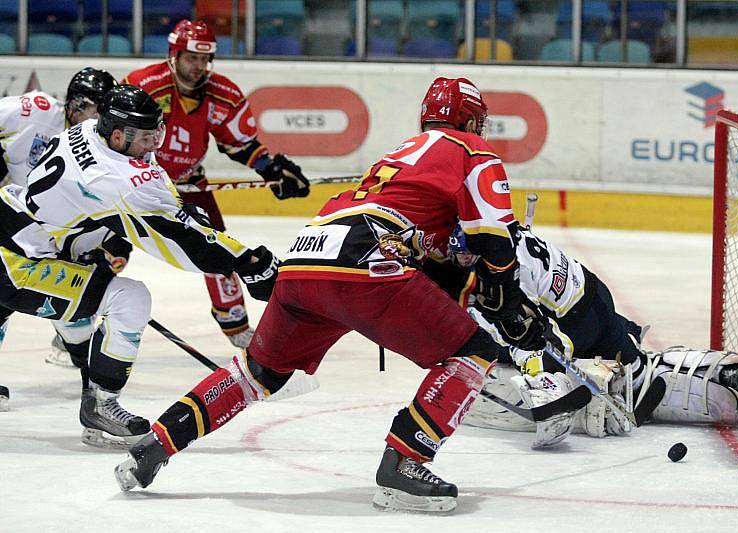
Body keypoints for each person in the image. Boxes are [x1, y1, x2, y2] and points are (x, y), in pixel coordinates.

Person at [114, 77, 552, 513]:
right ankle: (405, 463)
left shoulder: (402, 153)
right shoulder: (474, 152)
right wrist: (510, 302)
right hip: (367, 259)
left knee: (257, 373)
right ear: (474, 120)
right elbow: (495, 238)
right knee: (473, 352)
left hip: (307, 253)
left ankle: (154, 445)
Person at [0, 84, 281, 448]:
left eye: (156, 133)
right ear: (118, 134)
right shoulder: (116, 180)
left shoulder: (89, 132)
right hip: (17, 260)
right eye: (145, 137)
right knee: (128, 299)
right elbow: (181, 242)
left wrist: (170, 209)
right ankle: (101, 407)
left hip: (18, 227)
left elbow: (135, 195)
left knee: (78, 316)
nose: (153, 145)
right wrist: (249, 262)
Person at [446, 223, 738, 446]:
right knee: (637, 371)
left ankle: (597, 402)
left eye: (465, 258)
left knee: (486, 374)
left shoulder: (502, 282)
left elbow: (535, 338)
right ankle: (736, 380)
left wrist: (542, 377)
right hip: (594, 296)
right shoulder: (504, 237)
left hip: (574, 323)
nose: (460, 263)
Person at [123, 20, 310, 350]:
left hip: (189, 181)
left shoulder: (221, 93)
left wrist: (273, 168)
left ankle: (235, 325)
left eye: (205, 59)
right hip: (134, 185)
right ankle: (75, 325)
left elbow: (239, 144)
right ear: (174, 55)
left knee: (220, 249)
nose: (199, 67)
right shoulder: (144, 86)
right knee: (110, 249)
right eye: (192, 58)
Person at [0, 68, 119, 374]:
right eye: (99, 109)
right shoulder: (35, 112)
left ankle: (88, 371)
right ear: (76, 105)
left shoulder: (102, 149)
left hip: (46, 234)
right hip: (9, 222)